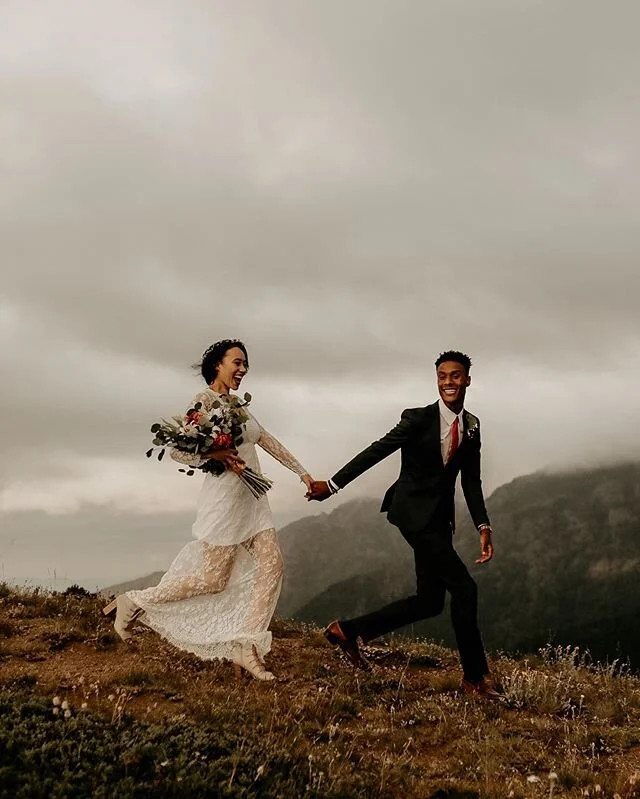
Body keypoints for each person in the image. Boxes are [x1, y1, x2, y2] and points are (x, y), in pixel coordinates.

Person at [103, 339, 314, 681]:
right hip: (225, 501)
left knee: (273, 565)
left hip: (254, 499)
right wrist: (214, 455)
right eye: (238, 362)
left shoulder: (238, 407)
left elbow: (266, 439)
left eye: (246, 364)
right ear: (218, 365)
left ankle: (247, 646)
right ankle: (134, 601)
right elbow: (179, 452)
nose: (243, 369)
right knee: (212, 580)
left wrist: (302, 472)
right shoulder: (202, 402)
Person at [306, 351, 500, 698]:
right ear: (436, 380)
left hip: (440, 521)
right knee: (465, 589)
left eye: (456, 376)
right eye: (442, 376)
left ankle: (348, 630)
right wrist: (332, 486)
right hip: (412, 514)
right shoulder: (416, 419)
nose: (448, 382)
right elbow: (376, 451)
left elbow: (471, 481)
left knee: (430, 602)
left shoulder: (472, 426)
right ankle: (474, 678)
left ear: (467, 380)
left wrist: (483, 526)